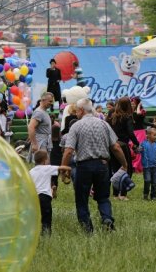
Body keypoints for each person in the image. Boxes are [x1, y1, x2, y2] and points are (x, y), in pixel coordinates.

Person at [61, 98, 127, 233]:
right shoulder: (103, 124)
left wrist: (63, 169)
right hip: (102, 165)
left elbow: (68, 151)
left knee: (82, 199)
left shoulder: (76, 126)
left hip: (84, 166)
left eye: (76, 111)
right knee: (103, 197)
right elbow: (115, 147)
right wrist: (124, 164)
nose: (76, 114)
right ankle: (107, 219)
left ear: (81, 110)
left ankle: (87, 228)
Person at [29, 150, 71, 235]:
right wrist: (67, 175)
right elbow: (67, 168)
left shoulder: (31, 171)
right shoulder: (47, 168)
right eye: (48, 159)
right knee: (46, 219)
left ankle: (36, 234)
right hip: (45, 198)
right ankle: (46, 236)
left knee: (37, 218)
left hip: (34, 198)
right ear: (44, 161)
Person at [107, 96, 139, 200]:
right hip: (122, 146)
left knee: (115, 169)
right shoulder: (127, 117)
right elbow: (130, 133)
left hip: (111, 146)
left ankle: (115, 194)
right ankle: (123, 194)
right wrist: (136, 143)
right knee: (126, 168)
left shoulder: (111, 115)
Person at [139, 127, 156, 200]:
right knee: (147, 180)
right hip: (146, 167)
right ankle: (145, 194)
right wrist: (137, 149)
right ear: (148, 135)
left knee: (155, 182)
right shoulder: (144, 144)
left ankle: (154, 196)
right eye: (154, 135)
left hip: (155, 167)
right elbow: (138, 151)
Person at [28, 92, 55, 157]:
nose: (51, 103)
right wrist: (34, 144)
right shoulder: (39, 112)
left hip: (45, 141)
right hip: (40, 142)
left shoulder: (44, 111)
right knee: (42, 165)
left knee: (45, 164)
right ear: (43, 100)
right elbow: (31, 127)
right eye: (50, 101)